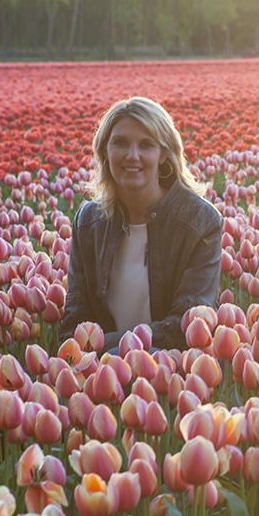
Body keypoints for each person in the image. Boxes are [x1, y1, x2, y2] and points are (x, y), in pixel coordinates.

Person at [59, 96, 222, 352]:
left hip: (172, 373)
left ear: (164, 155)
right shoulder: (89, 223)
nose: (132, 155)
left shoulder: (200, 222)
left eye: (146, 145)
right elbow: (73, 324)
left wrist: (110, 348)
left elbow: (186, 325)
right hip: (99, 376)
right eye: (120, 143)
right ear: (104, 152)